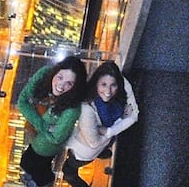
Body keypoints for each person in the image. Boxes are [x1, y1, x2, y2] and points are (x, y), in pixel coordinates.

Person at [62, 60, 139, 187]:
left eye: (113, 85)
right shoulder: (90, 108)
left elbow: (134, 115)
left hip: (87, 152)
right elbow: (130, 115)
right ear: (96, 84)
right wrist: (120, 121)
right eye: (103, 84)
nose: (108, 91)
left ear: (118, 84)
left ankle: (101, 153)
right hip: (97, 145)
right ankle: (102, 152)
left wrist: (108, 131)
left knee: (68, 170)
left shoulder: (123, 85)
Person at [18, 56, 88, 187]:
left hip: (46, 148)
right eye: (60, 77)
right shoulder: (44, 74)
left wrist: (32, 113)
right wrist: (45, 126)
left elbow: (56, 138)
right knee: (27, 164)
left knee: (37, 170)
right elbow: (21, 102)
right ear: (55, 71)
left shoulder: (72, 108)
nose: (61, 86)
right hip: (35, 135)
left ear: (75, 86)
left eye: (69, 83)